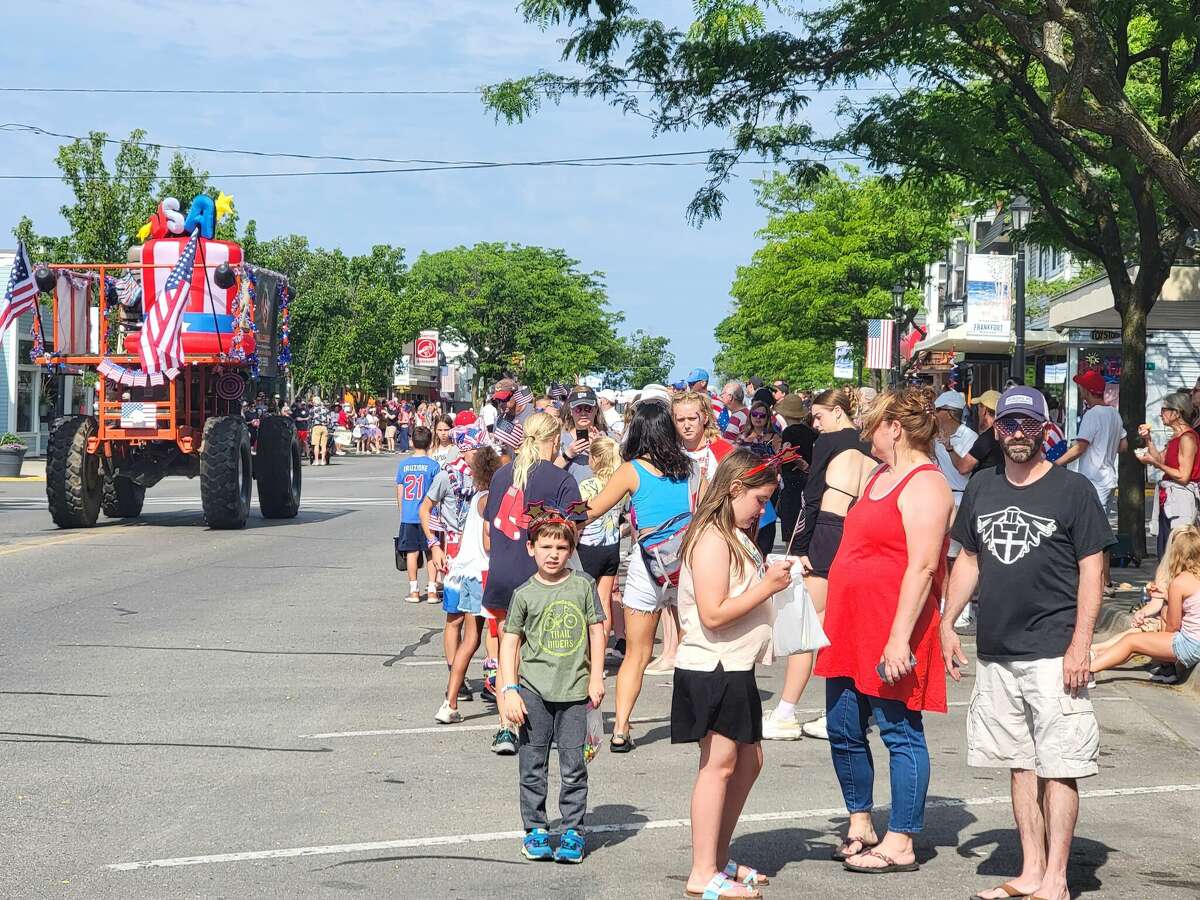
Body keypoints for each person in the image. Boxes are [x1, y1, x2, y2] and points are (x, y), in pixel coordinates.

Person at [941, 386, 1112, 900]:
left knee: (1061, 766)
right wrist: (948, 621)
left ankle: (1056, 879)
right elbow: (969, 557)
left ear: (1045, 430)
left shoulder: (1072, 491)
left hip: (1055, 649)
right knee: (1020, 764)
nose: (1018, 434)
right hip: (998, 647)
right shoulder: (982, 487)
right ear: (997, 430)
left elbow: (1093, 570)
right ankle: (1031, 871)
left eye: (1028, 425)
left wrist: (1082, 641)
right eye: (1009, 425)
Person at [815, 387, 953, 876]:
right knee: (843, 726)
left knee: (899, 730)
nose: (866, 434)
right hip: (850, 625)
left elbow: (921, 568)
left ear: (895, 428)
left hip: (892, 627)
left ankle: (901, 840)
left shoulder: (926, 483)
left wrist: (899, 639)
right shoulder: (877, 474)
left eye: (873, 425)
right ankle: (861, 823)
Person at [674, 450, 794, 900]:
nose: (763, 510)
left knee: (748, 761)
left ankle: (717, 858)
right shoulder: (711, 539)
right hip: (714, 665)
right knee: (718, 766)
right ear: (734, 489)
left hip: (734, 664)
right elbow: (713, 613)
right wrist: (767, 587)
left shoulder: (733, 533)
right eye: (759, 500)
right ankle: (703, 872)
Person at [583, 397, 695, 752]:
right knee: (694, 647)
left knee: (637, 652)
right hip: (687, 567)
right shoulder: (693, 469)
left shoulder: (631, 470)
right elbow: (708, 514)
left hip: (647, 568)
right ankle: (695, 721)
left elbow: (593, 509)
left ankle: (621, 728)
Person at [765, 388, 874, 742]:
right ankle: (847, 712)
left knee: (805, 624)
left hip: (829, 531)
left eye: (819, 416)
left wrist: (798, 548)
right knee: (844, 626)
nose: (815, 423)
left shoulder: (831, 442)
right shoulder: (869, 443)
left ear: (838, 412)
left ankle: (786, 711)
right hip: (858, 534)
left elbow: (812, 498)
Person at [499, 507, 606, 864]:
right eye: (545, 546)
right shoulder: (524, 593)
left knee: (574, 764)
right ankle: (536, 829)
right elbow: (510, 641)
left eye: (560, 548)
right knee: (533, 764)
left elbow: (596, 630)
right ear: (531, 548)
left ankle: (574, 829)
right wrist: (510, 690)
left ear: (571, 551)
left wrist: (596, 677)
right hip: (533, 692)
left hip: (575, 691)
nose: (553, 554)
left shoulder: (583, 585)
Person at [482, 412, 583, 754]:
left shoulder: (500, 475)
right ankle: (536, 725)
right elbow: (574, 530)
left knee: (505, 651)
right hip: (537, 580)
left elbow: (489, 528)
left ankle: (505, 727)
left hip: (500, 573)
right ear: (555, 440)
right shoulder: (560, 478)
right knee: (538, 653)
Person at [436, 441, 503, 724]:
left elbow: (469, 538)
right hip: (484, 573)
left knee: (470, 639)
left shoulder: (477, 498)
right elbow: (489, 541)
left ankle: (449, 702)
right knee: (499, 636)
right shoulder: (491, 499)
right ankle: (502, 693)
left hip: (466, 573)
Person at [1089, 524, 1200, 679]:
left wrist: (1159, 645)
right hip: (1195, 642)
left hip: (1189, 645)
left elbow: (1173, 626)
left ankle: (1088, 671)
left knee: (1131, 641)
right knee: (1135, 645)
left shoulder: (1180, 582)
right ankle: (1093, 662)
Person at [1055, 370, 1126, 592]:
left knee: (1091, 534)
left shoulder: (1093, 415)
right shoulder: (1114, 414)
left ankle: (1097, 581)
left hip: (1092, 479)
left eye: (1081, 388)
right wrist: (1106, 448)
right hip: (1108, 477)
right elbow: (1123, 446)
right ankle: (1105, 580)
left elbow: (1080, 447)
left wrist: (1054, 465)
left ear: (1086, 391)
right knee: (1101, 531)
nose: (1080, 391)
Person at [1137, 390, 1200, 558]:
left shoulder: (1187, 438)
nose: (1160, 414)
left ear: (1177, 413)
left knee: (1178, 550)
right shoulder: (1175, 437)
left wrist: (1154, 462)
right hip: (1169, 498)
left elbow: (1183, 475)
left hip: (1181, 499)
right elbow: (1160, 459)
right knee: (1165, 549)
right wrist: (1148, 440)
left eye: (1164, 409)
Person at [576, 436, 627, 638]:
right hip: (611, 546)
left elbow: (578, 515)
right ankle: (601, 655)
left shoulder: (587, 486)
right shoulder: (620, 486)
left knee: (583, 602)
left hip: (588, 546)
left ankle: (587, 652)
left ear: (596, 459)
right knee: (604, 601)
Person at [933, 389, 978, 607]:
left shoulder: (969, 437)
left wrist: (949, 447)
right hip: (940, 499)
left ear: (949, 413)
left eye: (938, 410)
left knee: (958, 559)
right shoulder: (932, 436)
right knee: (942, 556)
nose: (934, 414)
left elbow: (964, 468)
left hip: (961, 501)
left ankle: (961, 607)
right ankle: (943, 603)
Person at [395, 426, 441, 604]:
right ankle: (431, 590)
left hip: (409, 515)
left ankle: (413, 590)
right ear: (430, 443)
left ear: (412, 442)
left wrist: (402, 510)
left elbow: (400, 490)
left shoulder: (404, 465)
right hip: (429, 515)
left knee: (411, 553)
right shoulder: (433, 465)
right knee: (430, 552)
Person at [556, 386, 602, 483]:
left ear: (596, 409)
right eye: (578, 409)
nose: (583, 413)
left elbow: (617, 470)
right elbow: (549, 472)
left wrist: (600, 450)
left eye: (588, 408)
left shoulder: (608, 438)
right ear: (571, 411)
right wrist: (568, 454)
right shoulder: (560, 439)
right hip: (571, 497)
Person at [311, 402, 330, 466]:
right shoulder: (326, 410)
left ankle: (316, 460)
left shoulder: (313, 410)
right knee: (323, 445)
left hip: (316, 427)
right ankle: (322, 460)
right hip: (324, 427)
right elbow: (329, 420)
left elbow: (310, 418)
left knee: (316, 444)